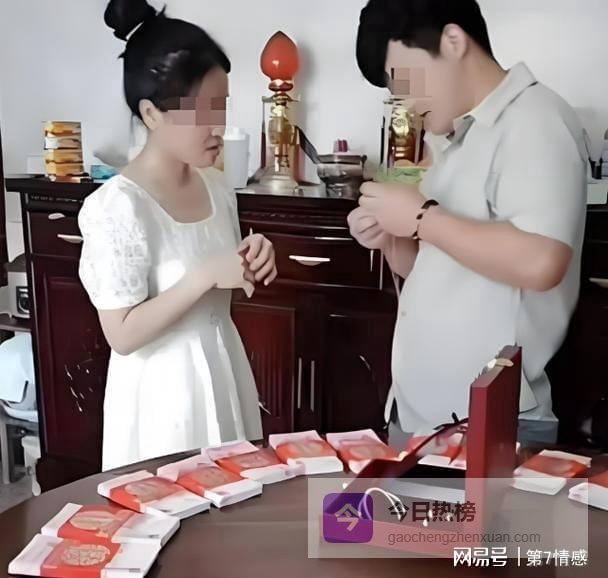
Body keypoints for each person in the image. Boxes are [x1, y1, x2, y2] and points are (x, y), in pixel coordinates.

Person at [350, 0, 587, 445]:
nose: (405, 102)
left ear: (453, 41)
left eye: (405, 80)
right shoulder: (456, 138)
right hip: (424, 410)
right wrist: (392, 236)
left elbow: (542, 261)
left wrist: (420, 218)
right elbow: (436, 271)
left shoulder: (534, 120)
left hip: (490, 420)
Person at [78, 0, 277, 471]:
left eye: (221, 107)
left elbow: (223, 288)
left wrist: (251, 259)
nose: (217, 127)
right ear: (151, 114)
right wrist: (205, 275)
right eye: (201, 111)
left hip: (225, 374)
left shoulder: (217, 187)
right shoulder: (117, 207)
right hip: (161, 400)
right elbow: (122, 334)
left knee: (236, 501)